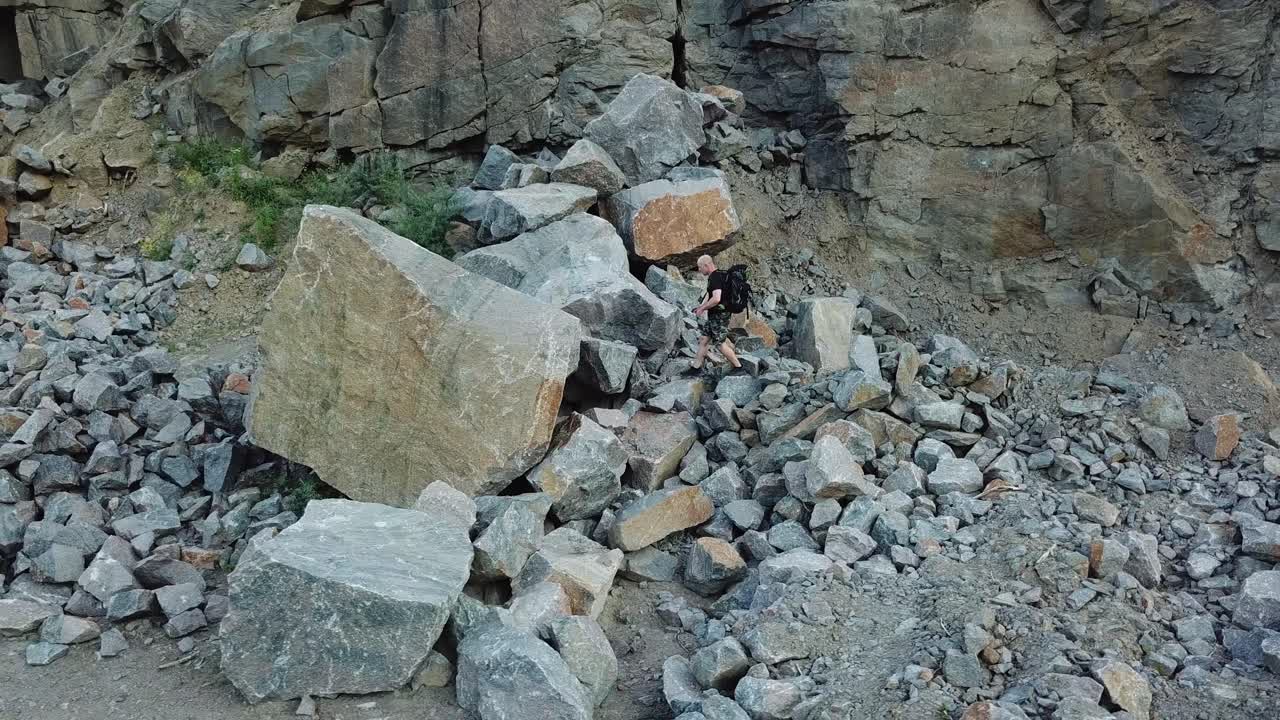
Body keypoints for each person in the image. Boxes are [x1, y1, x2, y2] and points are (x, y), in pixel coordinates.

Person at [689, 254, 742, 374]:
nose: (699, 270)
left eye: (700, 267)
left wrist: (702, 308)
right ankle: (696, 367)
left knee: (720, 344)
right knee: (704, 339)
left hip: (719, 316)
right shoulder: (721, 275)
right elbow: (713, 295)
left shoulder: (715, 277)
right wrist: (701, 306)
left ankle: (738, 367)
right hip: (716, 315)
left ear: (706, 265)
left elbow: (716, 298)